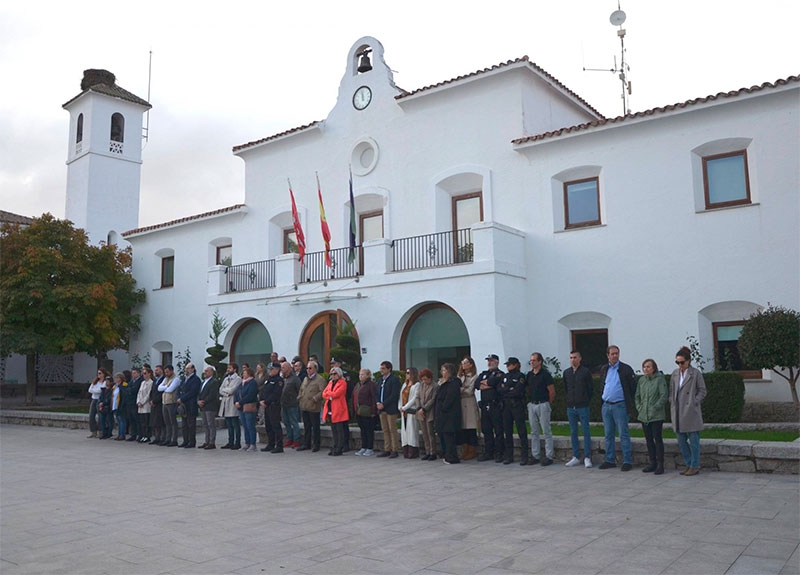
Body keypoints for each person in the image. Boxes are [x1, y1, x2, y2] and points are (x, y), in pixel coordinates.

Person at [670, 346, 707, 476]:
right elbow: (672, 390)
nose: (680, 365)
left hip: (691, 411)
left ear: (688, 361)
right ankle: (688, 463)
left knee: (694, 441)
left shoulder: (695, 373)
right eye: (677, 362)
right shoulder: (675, 374)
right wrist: (672, 402)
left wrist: (694, 401)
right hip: (678, 411)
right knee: (681, 440)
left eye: (682, 362)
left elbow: (702, 390)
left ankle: (695, 465)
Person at [599, 345, 637, 471]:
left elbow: (632, 388)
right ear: (607, 355)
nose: (615, 356)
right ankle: (610, 459)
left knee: (623, 434)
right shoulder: (604, 369)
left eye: (617, 353)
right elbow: (602, 384)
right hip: (606, 405)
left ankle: (627, 461)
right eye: (612, 354)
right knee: (608, 434)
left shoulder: (625, 369)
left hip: (620, 405)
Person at [635, 358, 668, 474]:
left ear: (654, 368)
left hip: (656, 415)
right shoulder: (642, 380)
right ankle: (652, 462)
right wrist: (639, 407)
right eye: (644, 367)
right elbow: (637, 396)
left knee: (657, 439)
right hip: (644, 415)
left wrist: (655, 407)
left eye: (648, 366)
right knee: (649, 440)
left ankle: (660, 464)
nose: (646, 369)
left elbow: (663, 396)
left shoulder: (659, 380)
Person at [563, 351, 594, 468]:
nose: (573, 360)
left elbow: (590, 389)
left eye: (575, 357)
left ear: (580, 358)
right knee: (573, 432)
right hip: (571, 407)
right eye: (571, 357)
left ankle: (587, 457)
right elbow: (566, 388)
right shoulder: (566, 373)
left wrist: (584, 399)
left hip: (583, 407)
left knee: (586, 431)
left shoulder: (585, 372)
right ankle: (575, 456)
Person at [498, 357, 529, 465]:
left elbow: (518, 391)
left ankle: (525, 456)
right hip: (506, 406)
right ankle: (509, 455)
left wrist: (507, 389)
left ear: (515, 365)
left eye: (510, 364)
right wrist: (508, 389)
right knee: (507, 430)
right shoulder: (505, 376)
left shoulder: (520, 376)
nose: (508, 366)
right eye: (507, 365)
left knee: (521, 430)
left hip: (517, 405)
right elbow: (499, 390)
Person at [526, 352, 555, 466]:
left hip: (543, 404)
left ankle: (549, 456)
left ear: (540, 362)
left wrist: (548, 403)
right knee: (534, 431)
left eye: (534, 360)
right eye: (531, 361)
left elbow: (551, 391)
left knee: (546, 430)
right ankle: (535, 455)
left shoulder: (545, 375)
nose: (532, 362)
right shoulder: (529, 375)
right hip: (532, 404)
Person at [476, 354, 505, 463]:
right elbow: (477, 384)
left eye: (491, 361)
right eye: (488, 361)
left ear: (497, 362)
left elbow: (494, 382)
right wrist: (487, 384)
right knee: (486, 430)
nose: (489, 363)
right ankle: (489, 452)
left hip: (495, 405)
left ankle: (499, 453)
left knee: (498, 430)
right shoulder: (484, 373)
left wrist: (487, 384)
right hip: (484, 405)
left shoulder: (500, 374)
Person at [434, 363, 462, 464]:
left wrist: (443, 407)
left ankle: (452, 456)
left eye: (444, 370)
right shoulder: (442, 383)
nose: (442, 372)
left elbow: (450, 398)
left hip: (449, 414)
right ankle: (447, 454)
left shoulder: (453, 383)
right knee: (444, 435)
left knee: (449, 436)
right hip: (442, 414)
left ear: (449, 371)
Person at [297, 360, 325, 452]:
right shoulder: (305, 379)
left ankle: (316, 444)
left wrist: (315, 398)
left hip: (313, 407)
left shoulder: (320, 379)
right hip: (305, 406)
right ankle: (306, 443)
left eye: (310, 368)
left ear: (315, 369)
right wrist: (300, 397)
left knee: (315, 427)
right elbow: (301, 389)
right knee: (307, 426)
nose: (308, 370)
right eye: (307, 368)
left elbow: (322, 392)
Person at [455, 357, 480, 461]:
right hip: (460, 403)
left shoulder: (474, 376)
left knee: (470, 428)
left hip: (469, 403)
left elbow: (470, 390)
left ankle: (472, 450)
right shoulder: (459, 376)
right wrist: (462, 389)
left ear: (471, 364)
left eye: (466, 363)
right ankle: (465, 450)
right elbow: (456, 387)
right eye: (462, 363)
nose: (463, 365)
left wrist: (461, 389)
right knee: (463, 428)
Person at [376, 361, 401, 458]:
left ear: (389, 369)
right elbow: (377, 393)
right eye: (381, 368)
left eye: (383, 368)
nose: (381, 370)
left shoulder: (394, 380)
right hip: (381, 409)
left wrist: (384, 404)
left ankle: (394, 449)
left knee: (392, 429)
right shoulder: (380, 380)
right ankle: (387, 448)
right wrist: (378, 402)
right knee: (385, 429)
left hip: (390, 408)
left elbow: (394, 395)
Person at [322, 367, 349, 456]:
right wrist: (330, 396)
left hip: (339, 408)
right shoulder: (330, 383)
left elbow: (337, 394)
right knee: (334, 429)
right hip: (330, 408)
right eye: (331, 374)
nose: (333, 376)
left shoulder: (343, 383)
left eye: (335, 374)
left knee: (339, 430)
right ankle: (335, 445)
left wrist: (329, 395)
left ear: (339, 374)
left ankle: (340, 447)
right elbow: (324, 393)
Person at [259, 362, 284, 453]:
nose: (270, 371)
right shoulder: (269, 379)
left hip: (273, 405)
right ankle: (271, 443)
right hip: (267, 406)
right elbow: (264, 390)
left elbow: (276, 394)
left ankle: (279, 445)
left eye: (272, 369)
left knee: (275, 426)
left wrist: (266, 401)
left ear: (277, 370)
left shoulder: (279, 380)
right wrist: (261, 400)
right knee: (268, 426)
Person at [353, 368, 377, 456]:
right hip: (359, 411)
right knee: (362, 430)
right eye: (360, 374)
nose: (360, 376)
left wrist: (373, 411)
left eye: (363, 374)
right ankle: (364, 447)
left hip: (367, 411)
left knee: (369, 430)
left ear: (368, 376)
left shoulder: (371, 385)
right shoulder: (358, 385)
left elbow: (373, 398)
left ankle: (370, 448)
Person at [218, 363, 242, 450]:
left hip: (232, 403)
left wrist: (226, 391)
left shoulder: (238, 379)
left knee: (235, 424)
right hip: (225, 402)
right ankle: (230, 441)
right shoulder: (226, 379)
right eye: (227, 368)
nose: (228, 369)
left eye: (230, 368)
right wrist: (226, 392)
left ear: (235, 369)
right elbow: (220, 390)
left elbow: (232, 390)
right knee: (229, 424)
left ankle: (237, 442)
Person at [235, 366, 259, 452]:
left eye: (244, 373)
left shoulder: (252, 383)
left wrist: (241, 402)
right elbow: (237, 392)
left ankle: (253, 444)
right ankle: (247, 443)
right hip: (241, 407)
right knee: (245, 426)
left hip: (249, 406)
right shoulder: (242, 383)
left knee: (250, 426)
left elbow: (251, 395)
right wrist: (236, 401)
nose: (243, 375)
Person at [177, 363, 201, 448]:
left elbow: (193, 392)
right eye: (185, 368)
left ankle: (191, 441)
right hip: (183, 405)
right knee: (184, 424)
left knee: (191, 424)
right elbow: (179, 389)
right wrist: (179, 398)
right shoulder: (184, 379)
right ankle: (185, 440)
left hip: (191, 404)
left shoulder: (196, 379)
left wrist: (182, 399)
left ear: (193, 369)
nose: (186, 370)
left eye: (188, 368)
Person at [197, 365, 221, 449]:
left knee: (211, 424)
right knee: (205, 424)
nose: (205, 372)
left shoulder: (213, 382)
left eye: (207, 371)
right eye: (205, 371)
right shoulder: (203, 382)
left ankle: (212, 442)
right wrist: (198, 401)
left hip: (210, 406)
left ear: (211, 372)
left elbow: (212, 394)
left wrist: (204, 401)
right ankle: (206, 441)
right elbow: (199, 393)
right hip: (202, 406)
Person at [400, 367, 421, 459]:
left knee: (412, 430)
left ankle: (413, 451)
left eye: (408, 373)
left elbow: (414, 398)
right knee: (405, 431)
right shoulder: (405, 384)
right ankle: (406, 450)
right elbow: (400, 396)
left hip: (411, 411)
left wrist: (405, 407)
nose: (407, 374)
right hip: (403, 411)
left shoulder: (417, 385)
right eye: (406, 373)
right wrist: (400, 406)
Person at [416, 368, 437, 461]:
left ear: (430, 378)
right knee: (424, 433)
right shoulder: (421, 385)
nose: (424, 381)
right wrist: (419, 408)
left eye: (426, 379)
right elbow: (417, 397)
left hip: (429, 412)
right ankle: (427, 451)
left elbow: (433, 399)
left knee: (430, 433)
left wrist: (424, 408)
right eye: (423, 379)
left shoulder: (435, 386)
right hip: (421, 412)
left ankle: (433, 452)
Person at [280, 361, 302, 449]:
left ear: (289, 368)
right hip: (283, 404)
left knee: (294, 422)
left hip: (292, 404)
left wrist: (296, 400)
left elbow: (299, 390)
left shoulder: (295, 379)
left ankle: (296, 440)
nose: (282, 370)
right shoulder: (283, 378)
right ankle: (289, 438)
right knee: (286, 422)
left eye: (283, 368)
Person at [158, 365, 181, 447]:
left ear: (172, 371)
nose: (166, 373)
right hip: (165, 402)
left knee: (173, 422)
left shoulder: (176, 379)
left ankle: (174, 439)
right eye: (165, 372)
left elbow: (170, 389)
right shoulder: (166, 379)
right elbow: (159, 388)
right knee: (167, 422)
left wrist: (165, 387)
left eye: (167, 372)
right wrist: (165, 387)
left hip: (172, 402)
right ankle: (168, 439)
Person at [87, 368, 108, 438]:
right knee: (91, 416)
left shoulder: (105, 382)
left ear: (103, 374)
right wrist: (95, 390)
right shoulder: (96, 381)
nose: (98, 375)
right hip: (94, 399)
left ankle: (101, 431)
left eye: (100, 373)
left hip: (100, 399)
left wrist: (94, 390)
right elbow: (90, 390)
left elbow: (101, 391)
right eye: (98, 373)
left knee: (100, 416)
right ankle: (93, 431)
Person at [136, 366, 154, 443]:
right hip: (140, 405)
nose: (144, 375)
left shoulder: (151, 382)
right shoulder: (142, 382)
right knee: (141, 422)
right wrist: (138, 402)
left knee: (146, 422)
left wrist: (142, 402)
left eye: (145, 373)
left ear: (149, 374)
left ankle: (147, 436)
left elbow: (148, 394)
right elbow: (139, 393)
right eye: (143, 374)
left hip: (146, 405)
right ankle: (142, 435)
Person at [125, 367, 143, 441]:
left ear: (139, 373)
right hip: (130, 402)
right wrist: (130, 390)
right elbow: (127, 389)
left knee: (137, 419)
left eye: (134, 373)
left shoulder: (140, 381)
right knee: (131, 419)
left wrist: (130, 390)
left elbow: (135, 390)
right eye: (132, 373)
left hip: (136, 402)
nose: (133, 375)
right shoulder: (131, 381)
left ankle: (140, 434)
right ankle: (133, 434)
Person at [149, 365, 165, 445]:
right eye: (155, 370)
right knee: (154, 422)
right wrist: (151, 400)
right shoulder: (155, 380)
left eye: (157, 370)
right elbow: (152, 391)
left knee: (160, 421)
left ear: (162, 371)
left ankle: (162, 438)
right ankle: (156, 437)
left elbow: (161, 393)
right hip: (153, 403)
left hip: (159, 403)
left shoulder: (164, 379)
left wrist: (155, 401)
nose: (156, 372)